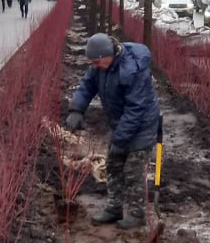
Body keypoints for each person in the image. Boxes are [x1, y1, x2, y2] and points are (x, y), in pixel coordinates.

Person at [65, 32, 160, 231]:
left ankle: (136, 214)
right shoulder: (100, 66)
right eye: (93, 63)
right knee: (113, 165)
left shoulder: (133, 70)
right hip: (121, 122)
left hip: (142, 125)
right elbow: (87, 85)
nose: (96, 67)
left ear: (110, 54)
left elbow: (135, 109)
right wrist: (77, 109)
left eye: (98, 62)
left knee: (132, 171)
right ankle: (114, 208)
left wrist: (120, 139)